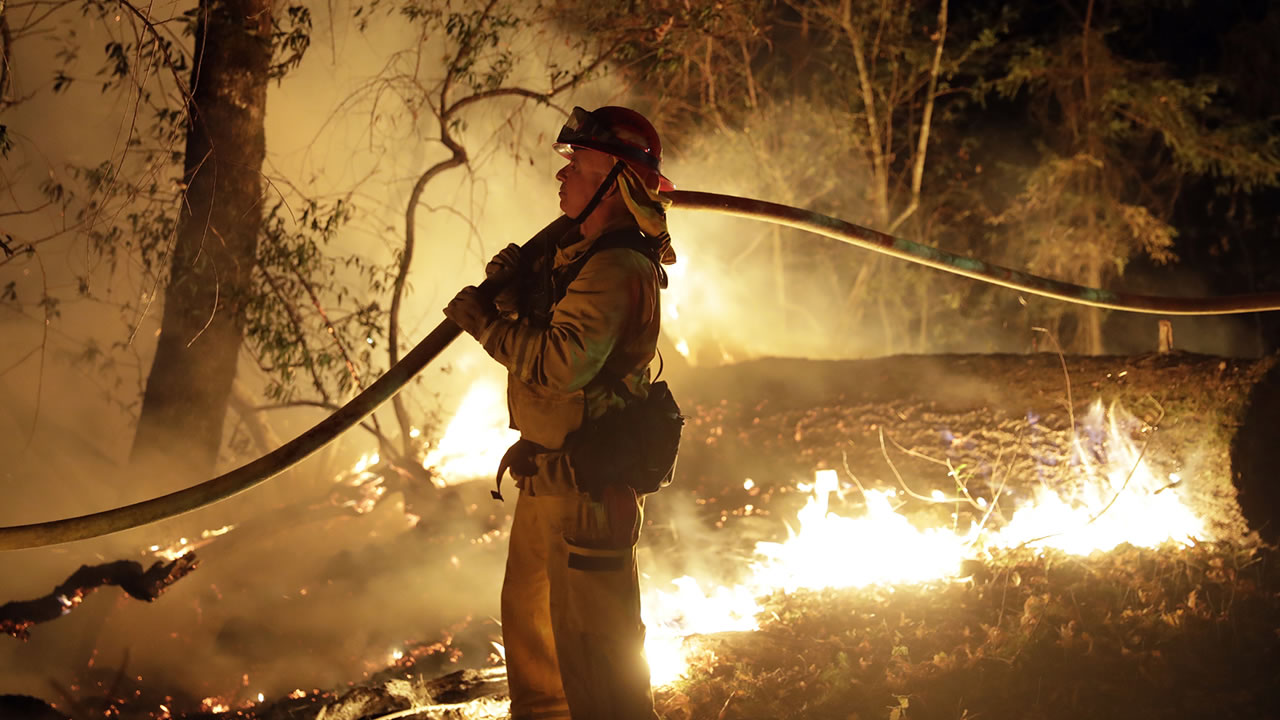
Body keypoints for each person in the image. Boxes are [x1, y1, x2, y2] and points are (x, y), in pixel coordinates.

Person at [443, 106, 677, 720]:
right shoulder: (576, 257)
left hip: (589, 491)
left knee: (599, 664)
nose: (562, 175)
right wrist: (519, 293)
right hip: (546, 480)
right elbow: (551, 330)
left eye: (577, 163)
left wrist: (486, 324)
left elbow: (560, 364)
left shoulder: (618, 266)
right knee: (535, 651)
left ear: (616, 181)